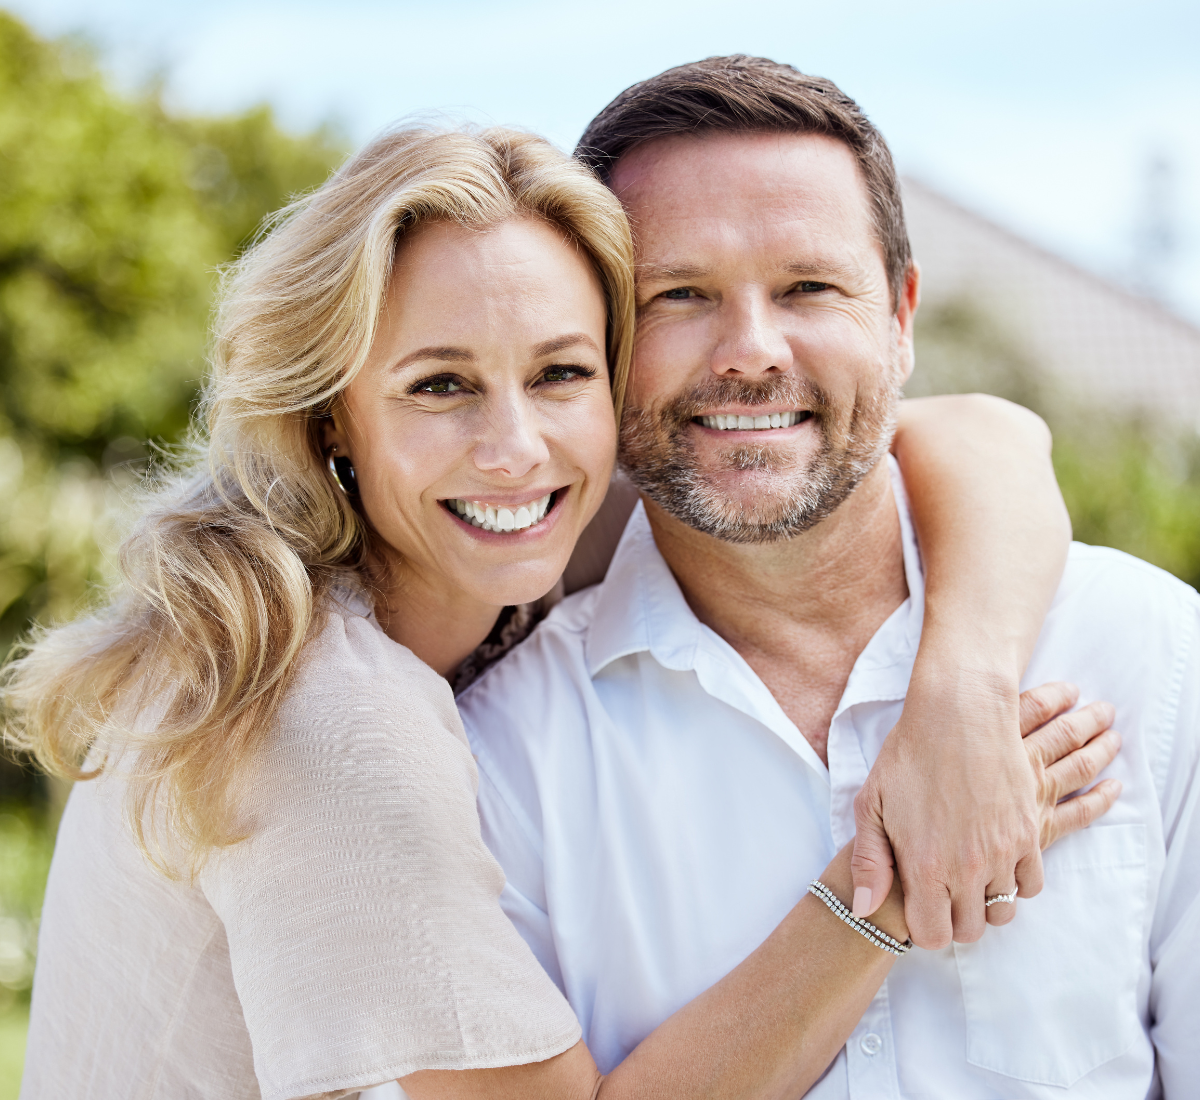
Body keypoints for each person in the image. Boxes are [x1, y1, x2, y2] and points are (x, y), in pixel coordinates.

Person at [6, 124, 1114, 1100]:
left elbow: (980, 431)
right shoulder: (330, 725)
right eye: (438, 384)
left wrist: (958, 699)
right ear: (332, 415)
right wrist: (890, 877)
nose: (515, 446)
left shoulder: (485, 539)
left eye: (561, 372)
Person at [458, 56, 1200, 1098]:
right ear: (604, 343)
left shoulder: (1154, 653)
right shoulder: (497, 760)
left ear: (899, 317)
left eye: (808, 286)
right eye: (680, 295)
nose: (751, 352)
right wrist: (883, 893)